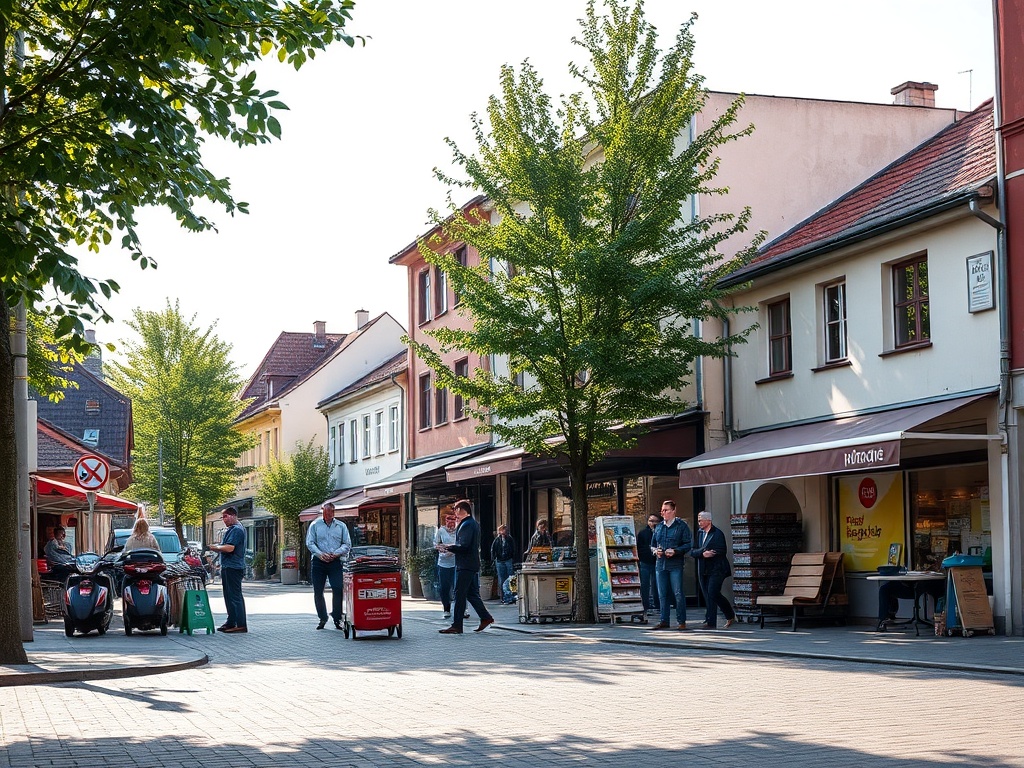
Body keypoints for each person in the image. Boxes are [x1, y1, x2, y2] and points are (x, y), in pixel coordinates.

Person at [438, 499, 495, 634]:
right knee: (471, 594)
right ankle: (486, 617)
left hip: (465, 565)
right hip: (469, 564)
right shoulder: (469, 523)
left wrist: (449, 547)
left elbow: (464, 546)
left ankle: (457, 625)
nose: (455, 513)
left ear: (461, 510)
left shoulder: (467, 524)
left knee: (459, 593)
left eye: (456, 510)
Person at [306, 501, 352, 630]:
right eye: (325, 513)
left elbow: (347, 544)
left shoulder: (341, 526)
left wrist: (335, 554)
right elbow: (310, 543)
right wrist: (320, 554)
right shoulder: (315, 525)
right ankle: (322, 618)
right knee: (318, 591)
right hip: (318, 561)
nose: (327, 516)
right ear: (322, 512)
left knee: (337, 588)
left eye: (330, 513)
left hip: (335, 561)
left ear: (333, 512)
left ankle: (337, 617)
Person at [689, 510, 736, 629]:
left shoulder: (717, 533)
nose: (699, 522)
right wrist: (702, 553)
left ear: (708, 521)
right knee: (707, 594)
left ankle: (729, 614)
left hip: (717, 569)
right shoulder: (699, 533)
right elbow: (693, 551)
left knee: (713, 592)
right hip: (703, 568)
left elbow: (721, 550)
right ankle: (710, 621)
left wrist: (710, 553)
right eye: (698, 520)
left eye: (701, 520)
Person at [650, 499, 692, 630]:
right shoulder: (659, 526)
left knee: (678, 593)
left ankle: (681, 621)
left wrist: (675, 551)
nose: (663, 513)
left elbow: (688, 544)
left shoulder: (681, 526)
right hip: (660, 563)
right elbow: (652, 545)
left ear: (673, 511)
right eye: (662, 510)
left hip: (675, 564)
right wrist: (656, 551)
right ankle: (664, 620)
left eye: (666, 510)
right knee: (662, 593)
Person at [210, 506, 248, 633]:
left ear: (233, 515)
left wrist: (216, 547)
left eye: (226, 516)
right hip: (229, 566)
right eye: (223, 517)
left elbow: (230, 548)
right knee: (229, 595)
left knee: (234, 596)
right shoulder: (233, 529)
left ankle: (240, 623)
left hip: (233, 566)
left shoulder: (236, 529)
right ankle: (231, 621)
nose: (224, 520)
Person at [433, 514, 458, 618]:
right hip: (443, 563)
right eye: (449, 522)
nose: (451, 524)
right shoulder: (441, 531)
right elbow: (435, 543)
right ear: (446, 522)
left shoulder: (459, 530)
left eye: (453, 522)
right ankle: (446, 609)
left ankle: (462, 609)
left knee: (458, 587)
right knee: (444, 588)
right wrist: (440, 548)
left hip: (456, 562)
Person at [636, 512, 661, 614]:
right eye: (651, 521)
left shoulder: (661, 532)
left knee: (657, 584)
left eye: (655, 521)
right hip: (645, 562)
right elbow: (639, 547)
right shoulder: (643, 533)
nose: (653, 523)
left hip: (657, 562)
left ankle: (658, 605)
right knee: (645, 585)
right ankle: (645, 605)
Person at [490, 524, 517, 604]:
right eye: (502, 530)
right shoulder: (497, 540)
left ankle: (511, 596)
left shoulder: (509, 539)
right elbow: (493, 549)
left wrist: (512, 557)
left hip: (508, 559)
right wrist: (494, 559)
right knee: (502, 579)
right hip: (499, 560)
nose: (503, 532)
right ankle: (503, 597)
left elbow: (513, 548)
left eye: (504, 530)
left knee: (510, 578)